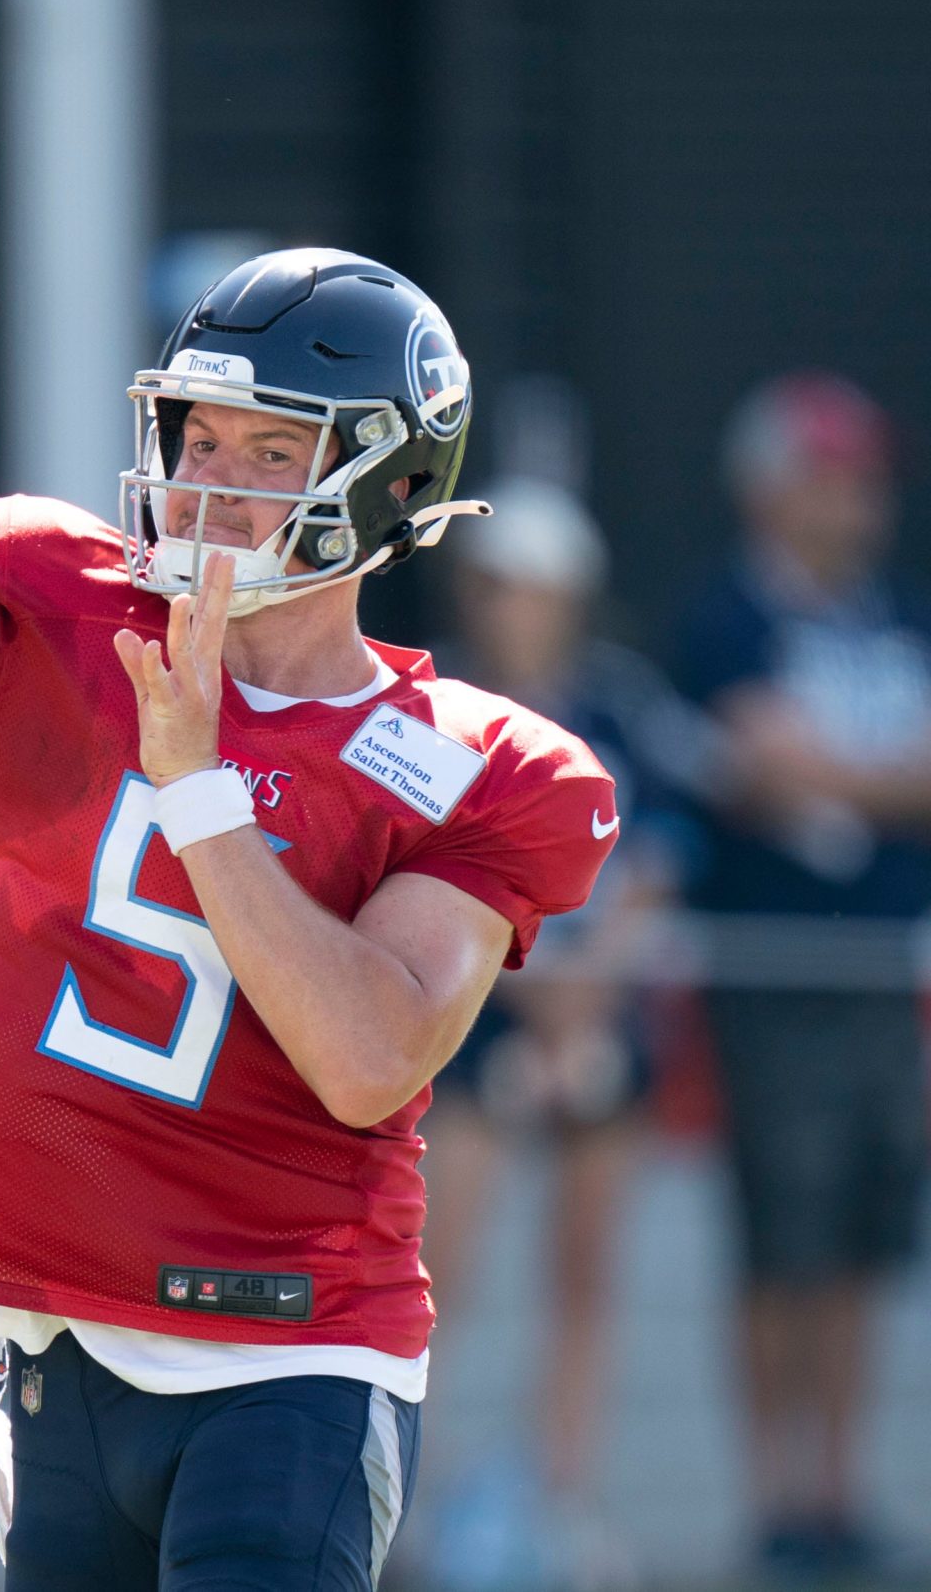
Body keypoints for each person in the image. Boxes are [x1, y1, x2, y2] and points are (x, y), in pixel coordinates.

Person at [0, 79, 619, 1591]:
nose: (215, 482)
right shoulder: (56, 607)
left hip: (287, 1352)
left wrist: (196, 784)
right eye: (201, 434)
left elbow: (371, 1052)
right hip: (48, 1334)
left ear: (391, 480)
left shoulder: (484, 761)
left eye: (274, 448)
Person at [665, 373, 930, 1583]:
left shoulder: (894, 621)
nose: (855, 501)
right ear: (771, 487)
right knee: (782, 1237)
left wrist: (835, 779)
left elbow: (819, 773)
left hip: (886, 976)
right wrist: (863, 780)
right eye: (831, 476)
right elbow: (771, 771)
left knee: (867, 1241)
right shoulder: (721, 621)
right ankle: (772, 1495)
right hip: (770, 979)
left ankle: (837, 1488)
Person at [416, 481, 704, 1591]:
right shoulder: (428, 697)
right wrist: (536, 988)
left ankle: (561, 1499)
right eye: (500, 586)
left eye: (537, 589)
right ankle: (412, 1497)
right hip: (472, 1020)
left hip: (596, 1018)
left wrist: (583, 994)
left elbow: (662, 864)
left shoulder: (621, 707)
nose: (517, 607)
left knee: (584, 1276)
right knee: (438, 1273)